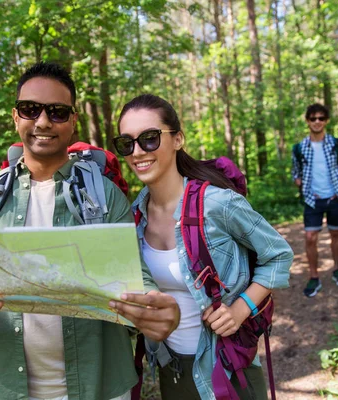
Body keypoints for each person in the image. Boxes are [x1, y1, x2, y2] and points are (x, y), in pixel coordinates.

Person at [0, 62, 180, 400]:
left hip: (102, 387)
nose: (44, 122)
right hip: (15, 388)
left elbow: (136, 279)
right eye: (30, 109)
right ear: (15, 116)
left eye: (58, 112)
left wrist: (154, 310)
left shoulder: (104, 198)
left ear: (74, 120)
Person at [113, 94, 293, 400]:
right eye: (126, 143)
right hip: (173, 369)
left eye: (150, 138)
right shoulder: (134, 216)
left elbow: (279, 255)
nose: (138, 151)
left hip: (228, 369)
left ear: (178, 139)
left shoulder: (216, 204)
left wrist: (240, 309)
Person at [291, 103, 338, 298]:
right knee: (310, 238)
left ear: (326, 121)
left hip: (335, 197)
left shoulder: (336, 144)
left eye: (321, 118)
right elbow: (295, 172)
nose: (317, 122)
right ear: (307, 121)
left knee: (335, 233)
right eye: (313, 118)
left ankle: (336, 268)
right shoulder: (299, 148)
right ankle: (314, 276)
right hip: (312, 200)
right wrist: (301, 184)